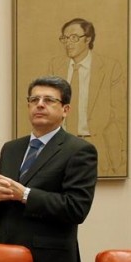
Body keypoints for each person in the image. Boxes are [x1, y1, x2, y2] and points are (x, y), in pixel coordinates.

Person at [0, 76, 97, 262]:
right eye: (34, 99)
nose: (40, 104)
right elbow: (2, 202)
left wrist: (24, 194)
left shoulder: (79, 150)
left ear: (65, 110)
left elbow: (76, 208)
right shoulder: (12, 148)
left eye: (48, 100)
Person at [48, 17, 126, 177]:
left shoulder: (110, 68)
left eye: (74, 38)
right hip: (60, 145)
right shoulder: (56, 66)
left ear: (88, 39)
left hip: (96, 145)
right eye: (65, 38)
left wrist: (123, 152)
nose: (68, 42)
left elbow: (120, 114)